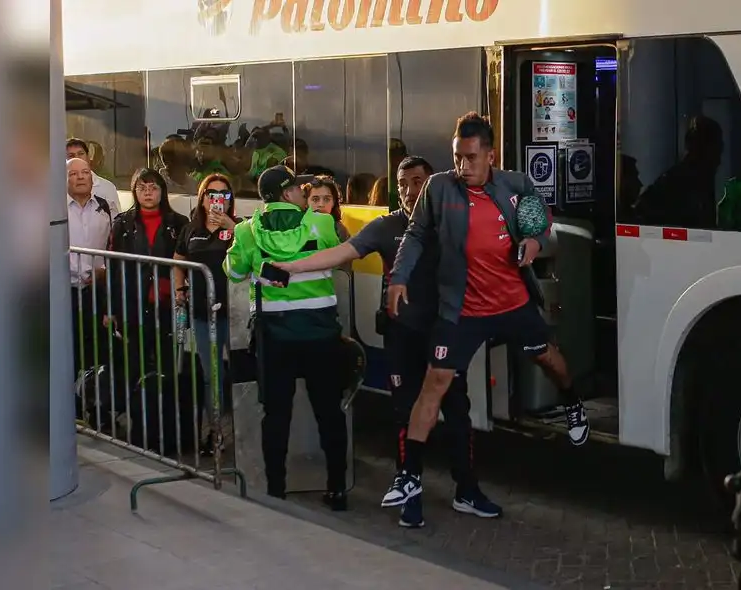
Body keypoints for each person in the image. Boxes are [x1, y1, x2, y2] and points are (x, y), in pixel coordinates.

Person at [380, 112, 590, 509]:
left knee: (548, 358)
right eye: (457, 157)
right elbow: (417, 233)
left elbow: (540, 224)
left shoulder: (516, 184)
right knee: (435, 381)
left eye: (471, 157)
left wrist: (533, 243)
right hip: (462, 309)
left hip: (512, 303)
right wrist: (399, 277)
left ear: (490, 156)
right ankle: (410, 475)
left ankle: (572, 402)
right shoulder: (439, 188)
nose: (463, 166)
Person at [273, 156, 497, 527]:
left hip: (445, 333)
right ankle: (411, 494)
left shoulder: (453, 222)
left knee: (457, 410)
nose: (409, 190)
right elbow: (343, 252)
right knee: (406, 414)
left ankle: (467, 490)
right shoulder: (385, 226)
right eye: (403, 183)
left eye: (418, 181)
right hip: (402, 336)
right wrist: (291, 266)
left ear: (432, 184)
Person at [223, 165, 350, 510]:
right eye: (297, 188)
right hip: (321, 334)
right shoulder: (321, 223)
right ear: (286, 193)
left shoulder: (247, 231)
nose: (303, 193)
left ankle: (276, 490)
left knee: (276, 415)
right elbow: (342, 255)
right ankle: (337, 489)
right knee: (329, 412)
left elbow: (233, 271)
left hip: (274, 338)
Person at [173, 174, 239, 454]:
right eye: (212, 193)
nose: (218, 199)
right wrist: (180, 290)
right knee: (211, 373)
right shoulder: (191, 229)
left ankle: (243, 431)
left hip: (235, 314)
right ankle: (214, 431)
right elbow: (178, 261)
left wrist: (232, 227)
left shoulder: (241, 227)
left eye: (224, 194)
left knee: (240, 372)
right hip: (203, 312)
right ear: (202, 198)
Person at [108, 168, 189, 379]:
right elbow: (113, 268)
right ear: (134, 192)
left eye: (153, 187)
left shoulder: (179, 223)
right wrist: (111, 309)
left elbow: (186, 263)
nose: (147, 192)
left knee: (169, 364)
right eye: (142, 188)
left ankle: (168, 397)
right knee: (134, 364)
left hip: (167, 304)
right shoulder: (122, 224)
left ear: (162, 191)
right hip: (133, 304)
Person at [66, 157, 117, 375]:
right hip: (64, 292)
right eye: (73, 174)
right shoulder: (53, 209)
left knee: (97, 351)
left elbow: (114, 245)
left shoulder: (105, 207)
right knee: (69, 350)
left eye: (85, 172)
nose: (80, 177)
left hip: (96, 292)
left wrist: (103, 272)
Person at [303, 175, 350, 242]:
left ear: (333, 202)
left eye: (327, 199)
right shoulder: (296, 225)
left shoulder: (340, 230)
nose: (321, 204)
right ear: (306, 202)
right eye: (315, 199)